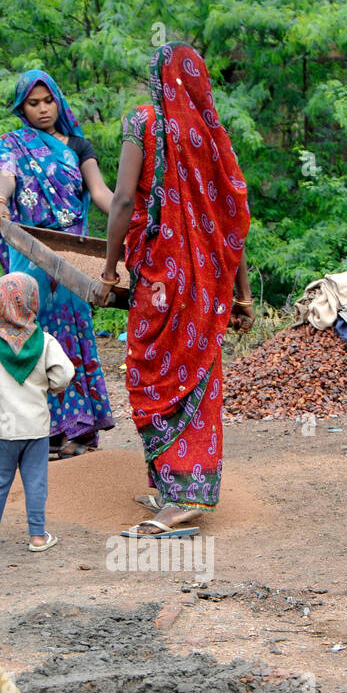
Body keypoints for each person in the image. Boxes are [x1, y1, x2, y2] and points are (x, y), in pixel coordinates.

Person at [101, 42, 254, 537]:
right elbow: (230, 223)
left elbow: (123, 200)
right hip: (206, 285)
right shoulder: (212, 135)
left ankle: (183, 498)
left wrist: (108, 269)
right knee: (196, 377)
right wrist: (241, 295)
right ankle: (175, 483)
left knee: (152, 375)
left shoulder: (141, 123)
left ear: (154, 77)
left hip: (162, 280)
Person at [0, 69, 115, 459]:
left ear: (59, 100)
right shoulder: (12, 145)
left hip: (72, 257)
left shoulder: (78, 145)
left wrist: (135, 219)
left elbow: (101, 193)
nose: (43, 109)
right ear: (21, 108)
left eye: (48, 101)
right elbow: (6, 176)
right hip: (31, 253)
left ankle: (79, 430)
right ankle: (43, 432)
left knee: (74, 337)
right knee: (32, 338)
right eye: (33, 103)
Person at [0, 272, 74, 554]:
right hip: (35, 429)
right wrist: (47, 388)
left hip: (3, 429)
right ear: (32, 302)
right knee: (36, 482)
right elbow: (63, 375)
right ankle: (37, 537)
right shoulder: (45, 342)